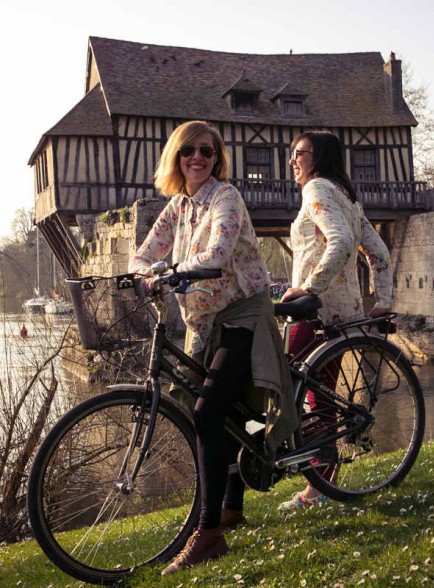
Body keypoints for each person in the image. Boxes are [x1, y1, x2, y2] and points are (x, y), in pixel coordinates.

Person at [128, 120, 297, 575]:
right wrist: (147, 271)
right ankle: (232, 508)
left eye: (206, 150)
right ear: (176, 159)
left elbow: (220, 252)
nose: (197, 158)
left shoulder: (226, 198)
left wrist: (174, 270)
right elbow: (141, 254)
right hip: (201, 321)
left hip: (242, 315)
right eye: (188, 151)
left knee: (205, 414)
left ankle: (207, 534)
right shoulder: (178, 206)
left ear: (216, 157)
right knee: (225, 414)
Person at [277, 130, 393, 511]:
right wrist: (383, 300)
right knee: (318, 395)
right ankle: (320, 488)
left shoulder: (317, 190)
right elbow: (379, 252)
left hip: (315, 311)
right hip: (344, 313)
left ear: (319, 157)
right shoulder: (347, 196)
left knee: (282, 379)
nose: (292, 160)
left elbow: (341, 241)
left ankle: (312, 480)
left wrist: (309, 288)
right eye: (292, 153)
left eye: (300, 153)